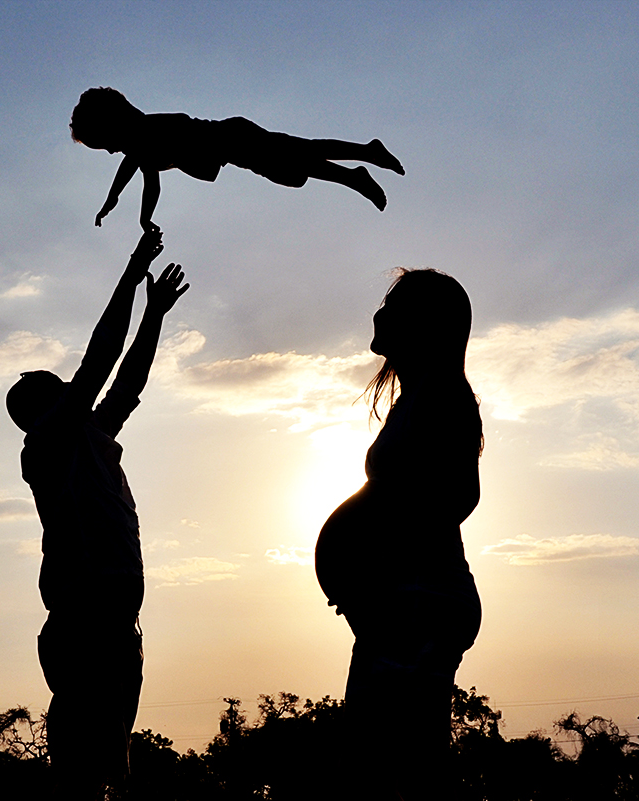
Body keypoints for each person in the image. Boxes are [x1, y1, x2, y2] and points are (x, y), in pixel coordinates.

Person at [6, 227, 188, 799]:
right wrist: (133, 273)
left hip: (113, 621)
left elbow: (126, 382)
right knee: (83, 768)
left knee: (113, 762)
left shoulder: (87, 434)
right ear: (44, 407)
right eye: (57, 388)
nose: (69, 388)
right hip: (83, 620)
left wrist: (154, 314)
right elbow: (100, 358)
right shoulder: (48, 442)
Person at [315, 268, 483, 800]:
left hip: (418, 595)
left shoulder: (441, 395)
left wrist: (386, 552)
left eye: (391, 305)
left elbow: (461, 494)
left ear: (422, 323)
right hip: (405, 595)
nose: (378, 314)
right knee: (392, 758)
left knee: (386, 762)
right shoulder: (416, 398)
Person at [69, 87, 405, 231]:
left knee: (303, 154)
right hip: (237, 149)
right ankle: (358, 170)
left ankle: (364, 157)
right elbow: (132, 166)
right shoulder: (141, 139)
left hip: (235, 139)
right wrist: (111, 200)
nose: (112, 151)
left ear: (113, 126)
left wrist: (142, 218)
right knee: (298, 161)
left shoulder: (144, 134)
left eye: (105, 143)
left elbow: (147, 180)